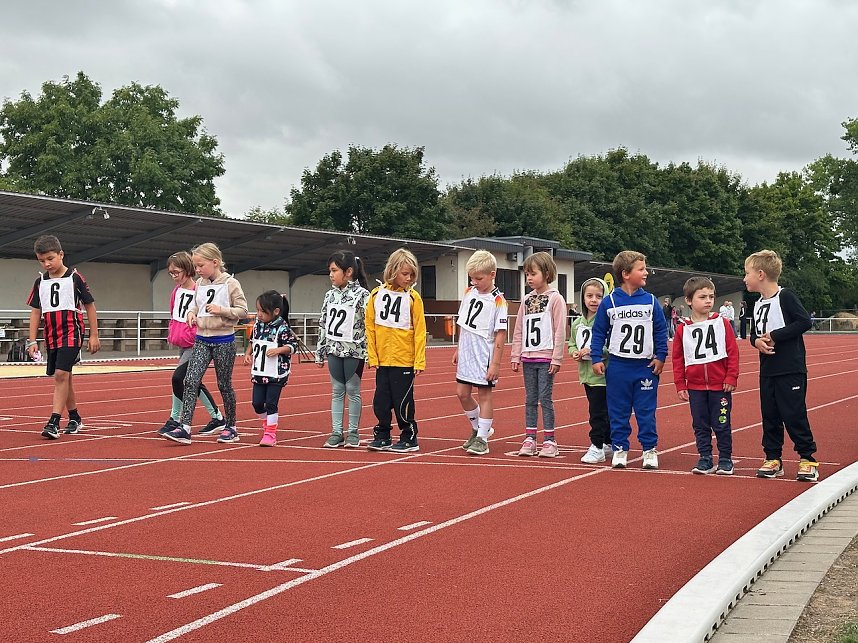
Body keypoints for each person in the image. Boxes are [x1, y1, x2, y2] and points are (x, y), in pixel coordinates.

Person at [744, 250, 819, 482]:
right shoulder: (756, 303)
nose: (744, 278)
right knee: (770, 414)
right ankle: (773, 457)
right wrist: (756, 341)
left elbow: (804, 321)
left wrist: (776, 335)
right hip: (768, 369)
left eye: (746, 273)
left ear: (761, 274)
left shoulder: (785, 297)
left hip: (790, 368)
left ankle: (808, 459)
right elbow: (754, 333)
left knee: (794, 414)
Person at [163, 243, 248, 445]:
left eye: (201, 265)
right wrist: (192, 313)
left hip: (223, 340)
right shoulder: (200, 284)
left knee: (224, 384)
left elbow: (243, 311)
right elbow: (195, 304)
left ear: (215, 262)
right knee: (190, 381)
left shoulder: (231, 283)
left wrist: (223, 310)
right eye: (195, 265)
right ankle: (184, 427)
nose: (198, 270)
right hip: (201, 339)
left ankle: (231, 427)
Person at [590, 250, 668, 470]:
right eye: (641, 269)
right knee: (618, 411)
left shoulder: (651, 301)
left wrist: (661, 356)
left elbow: (660, 331)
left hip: (644, 367)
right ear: (625, 274)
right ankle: (620, 448)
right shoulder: (610, 302)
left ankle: (649, 449)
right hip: (618, 366)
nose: (646, 273)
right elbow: (599, 332)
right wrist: (596, 357)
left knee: (645, 411)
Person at [26, 234, 101, 439]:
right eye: (42, 261)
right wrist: (32, 340)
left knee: (61, 375)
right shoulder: (40, 282)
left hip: (71, 332)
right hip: (51, 334)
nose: (46, 264)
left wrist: (94, 334)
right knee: (63, 375)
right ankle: (75, 417)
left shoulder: (75, 278)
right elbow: (35, 311)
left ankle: (54, 421)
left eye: (50, 258)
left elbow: (90, 306)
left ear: (61, 254)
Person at [672, 277, 740, 475]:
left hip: (720, 386)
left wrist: (731, 377)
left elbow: (732, 351)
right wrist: (680, 383)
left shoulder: (722, 323)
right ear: (689, 300)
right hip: (696, 387)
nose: (708, 301)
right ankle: (705, 458)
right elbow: (678, 357)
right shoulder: (682, 328)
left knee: (721, 422)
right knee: (700, 424)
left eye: (711, 296)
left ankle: (726, 458)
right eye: (702, 297)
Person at [365, 248, 426, 453]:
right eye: (405, 274)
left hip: (404, 359)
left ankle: (409, 435)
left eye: (411, 275)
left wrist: (419, 361)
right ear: (392, 271)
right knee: (381, 401)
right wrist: (372, 356)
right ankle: (382, 434)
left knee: (403, 401)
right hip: (383, 360)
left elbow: (420, 331)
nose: (408, 278)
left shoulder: (413, 298)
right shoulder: (376, 295)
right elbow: (370, 327)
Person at [158, 251, 225, 437]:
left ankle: (175, 418)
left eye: (176, 272)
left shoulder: (198, 290)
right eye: (170, 273)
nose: (173, 276)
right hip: (182, 342)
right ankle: (217, 417)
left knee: (178, 378)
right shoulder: (176, 291)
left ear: (187, 270)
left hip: (195, 343)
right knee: (191, 381)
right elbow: (174, 315)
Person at [510, 251, 567, 458]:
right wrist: (516, 354)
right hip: (528, 357)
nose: (529, 278)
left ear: (546, 273)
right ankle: (530, 437)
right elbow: (518, 329)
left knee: (545, 398)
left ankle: (550, 439)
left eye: (533, 273)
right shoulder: (526, 300)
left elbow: (560, 329)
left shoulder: (555, 299)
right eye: (526, 274)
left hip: (546, 357)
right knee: (530, 398)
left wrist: (556, 357)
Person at [454, 251, 508, 456]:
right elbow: (463, 323)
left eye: (479, 278)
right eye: (472, 278)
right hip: (467, 351)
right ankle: (479, 427)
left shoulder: (498, 301)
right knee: (462, 393)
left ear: (492, 274)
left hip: (484, 353)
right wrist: (459, 348)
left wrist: (495, 363)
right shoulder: (469, 292)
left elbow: (501, 334)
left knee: (484, 394)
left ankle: (482, 438)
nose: (474, 282)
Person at [315, 250, 370, 448]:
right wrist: (320, 350)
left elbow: (369, 324)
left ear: (348, 272)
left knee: (353, 390)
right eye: (329, 270)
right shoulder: (329, 295)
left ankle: (353, 432)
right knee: (337, 390)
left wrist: (370, 352)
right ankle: (336, 432)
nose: (330, 274)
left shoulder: (364, 295)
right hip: (333, 349)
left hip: (355, 350)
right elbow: (323, 323)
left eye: (334, 270)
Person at [244, 291, 298, 446]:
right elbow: (253, 341)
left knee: (271, 403)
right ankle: (267, 422)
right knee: (257, 403)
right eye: (258, 310)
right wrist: (248, 354)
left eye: (263, 311)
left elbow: (292, 347)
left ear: (275, 311)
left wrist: (279, 350)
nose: (259, 314)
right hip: (260, 372)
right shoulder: (257, 325)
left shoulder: (282, 328)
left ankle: (270, 433)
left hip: (277, 373)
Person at [569, 277, 612, 463]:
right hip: (585, 374)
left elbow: (610, 346)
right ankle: (609, 442)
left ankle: (597, 446)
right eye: (589, 296)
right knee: (601, 410)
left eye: (599, 296)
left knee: (597, 412)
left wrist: (595, 351)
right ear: (583, 298)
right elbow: (571, 343)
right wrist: (574, 353)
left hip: (602, 374)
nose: (594, 300)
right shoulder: (577, 323)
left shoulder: (606, 322)